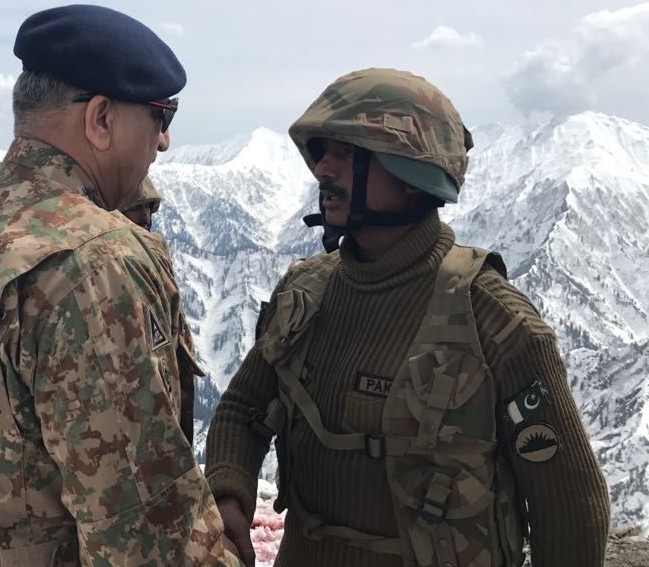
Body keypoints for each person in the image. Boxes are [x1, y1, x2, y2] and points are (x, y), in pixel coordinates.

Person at [205, 68, 611, 567]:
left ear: (413, 178)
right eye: (321, 151)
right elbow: (244, 408)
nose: (322, 170)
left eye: (348, 153)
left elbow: (568, 507)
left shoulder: (495, 321)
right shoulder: (303, 293)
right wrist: (230, 495)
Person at [0, 4, 240, 565]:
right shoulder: (93, 259)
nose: (165, 141)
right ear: (100, 118)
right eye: (160, 116)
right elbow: (144, 535)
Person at [118, 175, 205, 447]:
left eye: (150, 207)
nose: (145, 216)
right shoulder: (113, 265)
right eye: (135, 206)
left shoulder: (154, 255)